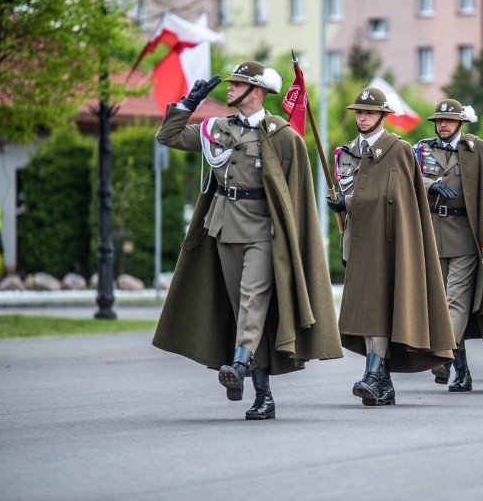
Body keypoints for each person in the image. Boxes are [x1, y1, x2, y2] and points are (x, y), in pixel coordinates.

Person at [152, 61, 342, 421]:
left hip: (263, 232)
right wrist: (187, 105)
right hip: (223, 227)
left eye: (238, 84)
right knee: (242, 310)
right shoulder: (217, 128)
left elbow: (296, 194)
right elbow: (169, 137)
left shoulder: (283, 135)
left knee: (253, 300)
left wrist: (291, 239)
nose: (230, 88)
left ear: (256, 92)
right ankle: (263, 396)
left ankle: (238, 365)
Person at [327, 86, 455, 406]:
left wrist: (349, 202)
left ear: (384, 116)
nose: (363, 117)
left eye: (369, 112)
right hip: (360, 239)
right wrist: (344, 204)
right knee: (372, 308)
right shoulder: (353, 151)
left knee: (382, 306)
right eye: (359, 112)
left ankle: (374, 375)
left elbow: (395, 198)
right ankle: (381, 380)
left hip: (389, 241)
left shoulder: (396, 148)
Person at [414, 99, 483, 392]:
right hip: (432, 231)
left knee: (455, 301)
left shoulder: (475, 150)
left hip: (464, 233)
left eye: (448, 120)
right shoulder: (422, 149)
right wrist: (429, 184)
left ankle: (443, 355)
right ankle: (463, 371)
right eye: (439, 121)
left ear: (460, 122)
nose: (443, 125)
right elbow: (407, 175)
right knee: (438, 301)